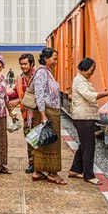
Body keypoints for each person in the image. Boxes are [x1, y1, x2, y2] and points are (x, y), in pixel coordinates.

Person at [68, 57, 108, 185]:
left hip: (85, 117)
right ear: (84, 68)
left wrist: (104, 92)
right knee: (89, 146)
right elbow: (89, 96)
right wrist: (107, 94)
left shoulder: (83, 80)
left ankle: (75, 170)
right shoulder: (79, 81)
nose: (92, 72)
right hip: (83, 118)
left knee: (84, 145)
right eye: (92, 69)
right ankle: (88, 175)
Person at [31, 47, 66, 185]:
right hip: (47, 112)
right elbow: (39, 94)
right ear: (46, 58)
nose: (56, 62)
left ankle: (38, 172)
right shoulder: (42, 73)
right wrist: (43, 115)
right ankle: (52, 173)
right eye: (54, 59)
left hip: (49, 111)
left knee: (44, 141)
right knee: (51, 142)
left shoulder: (47, 72)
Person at [8, 53, 36, 173]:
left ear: (32, 64)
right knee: (30, 138)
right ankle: (32, 163)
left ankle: (40, 163)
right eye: (21, 64)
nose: (22, 66)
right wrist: (3, 95)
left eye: (25, 64)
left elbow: (36, 95)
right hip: (26, 114)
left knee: (40, 139)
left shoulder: (37, 76)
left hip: (38, 113)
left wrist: (18, 101)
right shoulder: (19, 77)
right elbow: (15, 92)